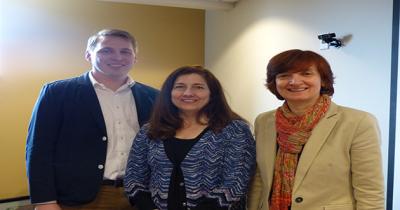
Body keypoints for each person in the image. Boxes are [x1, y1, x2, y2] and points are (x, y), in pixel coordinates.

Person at [26, 29, 159, 210]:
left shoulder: (153, 97)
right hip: (80, 198)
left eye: (125, 52)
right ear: (89, 55)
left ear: (135, 58)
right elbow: (38, 150)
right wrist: (45, 201)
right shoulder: (57, 93)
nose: (117, 57)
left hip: (141, 196)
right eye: (106, 50)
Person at [247, 49, 385, 210]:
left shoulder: (358, 122)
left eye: (306, 74)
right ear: (274, 83)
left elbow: (370, 190)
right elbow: (259, 179)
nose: (295, 81)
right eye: (284, 75)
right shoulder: (264, 121)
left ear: (323, 80)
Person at [124, 66, 256, 210]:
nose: (188, 93)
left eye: (198, 87)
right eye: (180, 87)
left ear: (212, 93)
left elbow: (236, 183)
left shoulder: (234, 130)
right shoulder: (150, 131)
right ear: (169, 93)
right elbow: (134, 180)